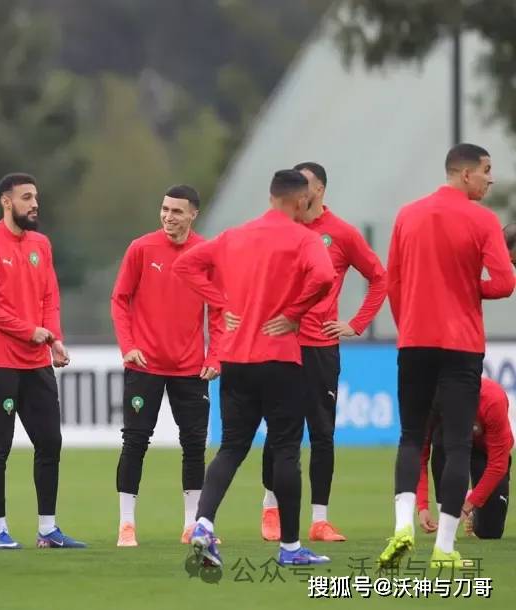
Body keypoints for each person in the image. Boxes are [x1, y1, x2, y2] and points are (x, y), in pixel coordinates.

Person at [175, 169, 335, 567]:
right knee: (285, 451)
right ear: (301, 200)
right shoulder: (304, 238)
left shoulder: (235, 235)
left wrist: (221, 302)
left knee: (231, 447)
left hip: (236, 359)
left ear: (270, 197)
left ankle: (203, 523)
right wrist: (295, 313)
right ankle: (291, 548)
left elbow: (186, 267)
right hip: (280, 358)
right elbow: (325, 276)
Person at [379, 143, 515, 569]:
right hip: (461, 345)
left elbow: (393, 281)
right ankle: (444, 548)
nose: (491, 178)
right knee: (456, 445)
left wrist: (408, 324)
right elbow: (504, 282)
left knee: (410, 437)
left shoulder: (407, 214)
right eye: (486, 170)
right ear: (465, 173)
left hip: (414, 342)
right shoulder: (483, 219)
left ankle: (402, 527)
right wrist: (468, 287)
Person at [259, 162, 387, 543]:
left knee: (322, 433)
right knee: (280, 429)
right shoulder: (280, 229)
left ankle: (319, 520)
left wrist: (356, 324)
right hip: (280, 344)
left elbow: (380, 278)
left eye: (306, 183)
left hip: (321, 347)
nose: (299, 190)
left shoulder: (342, 233)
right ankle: (271, 507)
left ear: (320, 190)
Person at [0, 172, 85, 550]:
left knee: (50, 442)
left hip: (36, 361)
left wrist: (54, 338)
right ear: (6, 202)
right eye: (26, 197)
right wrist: (27, 330)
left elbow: (50, 297)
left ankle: (48, 530)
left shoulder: (40, 244)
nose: (35, 204)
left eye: (35, 197)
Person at [110, 184, 221, 547]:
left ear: (193, 215)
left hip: (191, 368)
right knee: (135, 441)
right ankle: (127, 524)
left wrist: (215, 355)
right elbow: (120, 299)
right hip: (145, 366)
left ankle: (192, 524)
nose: (168, 216)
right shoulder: (141, 248)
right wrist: (128, 346)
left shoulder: (206, 253)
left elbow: (219, 310)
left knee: (194, 444)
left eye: (176, 211)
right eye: (165, 209)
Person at [418, 377, 512, 540]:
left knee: (489, 532)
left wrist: (465, 509)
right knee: (440, 441)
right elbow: (420, 457)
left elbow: (498, 465)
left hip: (483, 451)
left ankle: (469, 498)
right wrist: (422, 506)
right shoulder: (432, 403)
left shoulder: (493, 400)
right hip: (450, 446)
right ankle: (446, 517)